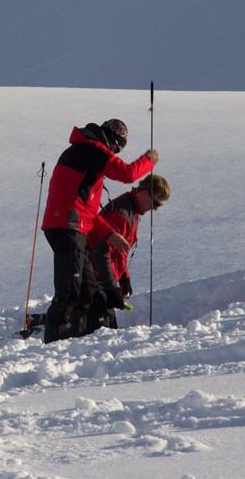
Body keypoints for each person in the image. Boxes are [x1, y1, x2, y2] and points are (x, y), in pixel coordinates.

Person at [42, 119, 158, 343]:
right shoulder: (91, 149)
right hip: (67, 226)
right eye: (116, 149)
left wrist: (111, 235)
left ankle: (79, 341)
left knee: (88, 292)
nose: (114, 154)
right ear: (111, 140)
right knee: (69, 293)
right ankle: (53, 345)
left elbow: (87, 211)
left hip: (71, 225)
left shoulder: (86, 155)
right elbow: (127, 174)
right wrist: (149, 160)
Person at [85, 174, 170, 333]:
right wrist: (111, 288)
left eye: (160, 205)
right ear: (145, 193)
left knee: (107, 331)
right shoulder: (122, 215)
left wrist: (124, 277)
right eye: (155, 203)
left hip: (101, 278)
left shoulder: (132, 210)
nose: (156, 209)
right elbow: (100, 254)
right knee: (100, 334)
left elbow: (118, 252)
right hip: (94, 279)